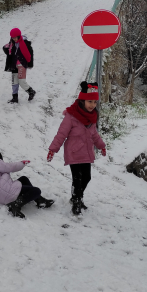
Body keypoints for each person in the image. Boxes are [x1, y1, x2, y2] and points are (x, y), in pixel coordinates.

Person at [47, 81, 107, 216]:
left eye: (94, 102)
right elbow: (61, 134)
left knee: (87, 177)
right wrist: (53, 149)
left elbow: (94, 135)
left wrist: (101, 146)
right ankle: (77, 202)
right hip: (73, 153)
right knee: (77, 179)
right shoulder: (71, 116)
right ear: (82, 101)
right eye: (89, 102)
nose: (92, 105)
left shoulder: (92, 117)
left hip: (86, 153)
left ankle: (76, 197)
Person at [0, 141, 54, 218]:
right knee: (36, 191)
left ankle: (40, 200)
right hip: (7, 191)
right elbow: (8, 167)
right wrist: (21, 163)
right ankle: (16, 204)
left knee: (24, 179)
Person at [3, 27, 35, 104]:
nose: (14, 39)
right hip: (13, 64)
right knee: (14, 82)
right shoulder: (11, 43)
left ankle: (31, 91)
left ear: (19, 36)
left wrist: (30, 64)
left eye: (15, 37)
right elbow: (7, 51)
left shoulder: (25, 43)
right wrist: (5, 48)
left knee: (21, 81)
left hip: (22, 64)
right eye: (12, 38)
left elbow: (30, 53)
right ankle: (15, 98)